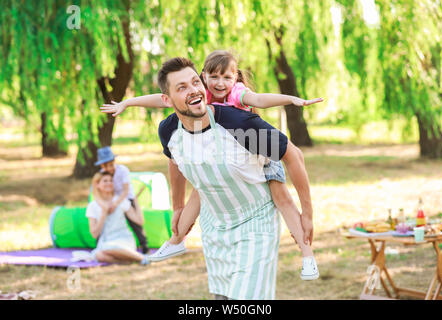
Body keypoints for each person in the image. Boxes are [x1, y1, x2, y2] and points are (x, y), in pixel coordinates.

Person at [100, 50, 320, 280]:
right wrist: (128, 103)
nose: (220, 83)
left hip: (257, 152)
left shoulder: (237, 94)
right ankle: (177, 240)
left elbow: (261, 100)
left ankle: (307, 254)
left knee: (282, 199)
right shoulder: (198, 94)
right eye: (214, 77)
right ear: (203, 76)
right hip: (226, 156)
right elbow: (161, 98)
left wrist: (292, 100)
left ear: (235, 78)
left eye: (227, 77)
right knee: (202, 188)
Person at [155, 57, 316, 299]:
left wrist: (308, 214)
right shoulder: (169, 131)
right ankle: (176, 241)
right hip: (216, 232)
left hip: (255, 227)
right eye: (182, 87)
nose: (193, 90)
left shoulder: (238, 124)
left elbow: (293, 155)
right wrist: (178, 206)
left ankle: (307, 255)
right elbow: (174, 160)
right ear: (167, 100)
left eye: (195, 83)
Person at [86, 171, 151, 265]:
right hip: (106, 241)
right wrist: (104, 213)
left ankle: (142, 258)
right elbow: (94, 234)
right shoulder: (92, 206)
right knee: (99, 255)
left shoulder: (120, 201)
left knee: (106, 249)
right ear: (97, 184)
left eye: (111, 181)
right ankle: (131, 261)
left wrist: (135, 201)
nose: (109, 183)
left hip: (123, 239)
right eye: (105, 181)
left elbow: (140, 221)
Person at [95, 146, 150, 254]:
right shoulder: (102, 173)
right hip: (111, 200)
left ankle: (144, 245)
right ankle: (99, 245)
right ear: (102, 165)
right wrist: (107, 203)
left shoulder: (123, 170)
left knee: (135, 223)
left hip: (127, 198)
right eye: (107, 166)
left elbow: (125, 191)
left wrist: (116, 203)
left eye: (111, 164)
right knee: (104, 221)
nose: (110, 168)